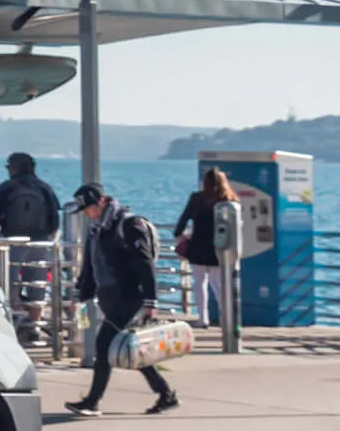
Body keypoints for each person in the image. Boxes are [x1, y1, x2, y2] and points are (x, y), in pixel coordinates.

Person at [67, 182, 177, 417]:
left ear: (102, 202)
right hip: (109, 296)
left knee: (104, 344)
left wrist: (151, 301)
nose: (87, 214)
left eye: (89, 209)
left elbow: (144, 263)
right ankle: (165, 394)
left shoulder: (128, 224)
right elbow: (90, 265)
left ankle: (92, 401)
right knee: (130, 347)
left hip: (130, 296)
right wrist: (81, 295)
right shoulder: (96, 228)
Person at [175, 168, 238, 330]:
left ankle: (203, 318)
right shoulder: (229, 200)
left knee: (199, 283)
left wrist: (180, 235)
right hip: (221, 247)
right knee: (218, 284)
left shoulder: (196, 198)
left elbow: (182, 221)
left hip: (198, 246)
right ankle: (226, 318)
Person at [0, 152, 60, 241]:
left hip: (10, 241)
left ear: (13, 169)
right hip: (40, 242)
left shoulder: (5, 188)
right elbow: (54, 220)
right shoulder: (45, 188)